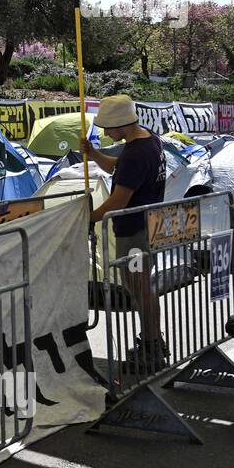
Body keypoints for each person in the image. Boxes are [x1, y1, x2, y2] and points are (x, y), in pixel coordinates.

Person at [80, 95, 169, 373]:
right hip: (146, 226)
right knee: (143, 289)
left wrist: (85, 220)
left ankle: (152, 347)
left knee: (141, 290)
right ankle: (154, 343)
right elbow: (118, 170)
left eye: (108, 128)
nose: (106, 133)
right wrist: (94, 154)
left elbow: (118, 201)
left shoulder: (135, 154)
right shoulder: (149, 140)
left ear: (120, 125)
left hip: (134, 232)